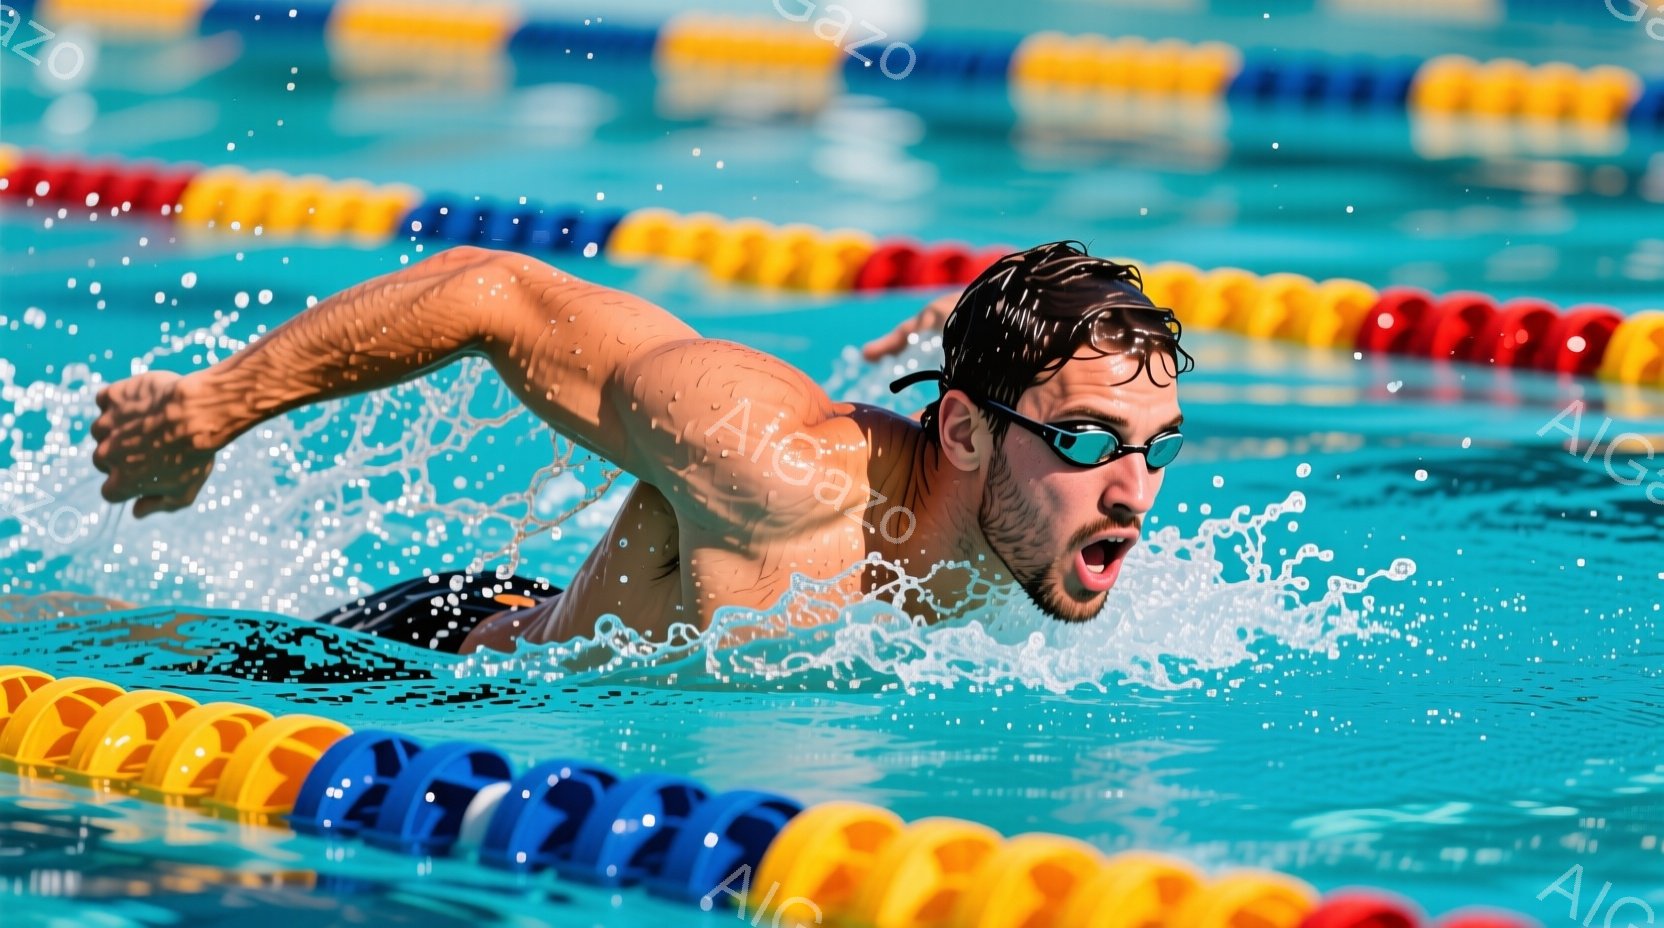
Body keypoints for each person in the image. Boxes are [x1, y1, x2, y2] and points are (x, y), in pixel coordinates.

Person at [89, 240, 1191, 655]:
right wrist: (211, 410)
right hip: (433, 672)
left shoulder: (1046, 548)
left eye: (1154, 448)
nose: (1131, 492)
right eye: (1090, 440)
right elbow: (494, 293)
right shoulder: (761, 455)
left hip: (606, 632)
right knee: (128, 646)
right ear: (959, 430)